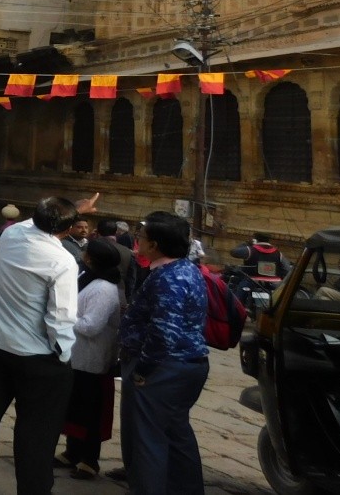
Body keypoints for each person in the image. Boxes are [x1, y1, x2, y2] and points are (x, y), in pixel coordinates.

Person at [0, 192, 99, 495]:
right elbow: (61, 317)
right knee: (36, 433)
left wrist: (73, 210)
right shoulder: (62, 260)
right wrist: (63, 355)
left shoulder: (11, 236)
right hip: (36, 357)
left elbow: (35, 221)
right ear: (68, 229)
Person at [118, 210, 209, 495]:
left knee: (147, 440)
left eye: (141, 237)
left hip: (163, 368)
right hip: (185, 363)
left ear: (154, 244)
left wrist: (143, 369)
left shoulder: (169, 278)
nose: (138, 242)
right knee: (176, 434)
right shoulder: (186, 269)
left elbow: (164, 332)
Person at [56, 237, 124, 480]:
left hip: (93, 359)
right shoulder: (89, 279)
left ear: (91, 258)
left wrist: (63, 316)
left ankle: (89, 459)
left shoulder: (104, 289)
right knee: (74, 407)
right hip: (78, 357)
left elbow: (91, 326)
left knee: (90, 412)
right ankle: (72, 451)